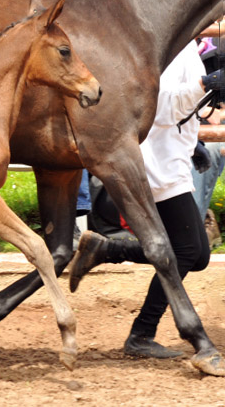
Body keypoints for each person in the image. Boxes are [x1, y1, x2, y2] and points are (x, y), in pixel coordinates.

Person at [68, 40, 225, 358]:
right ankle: (141, 334)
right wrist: (205, 84)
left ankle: (108, 249)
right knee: (187, 250)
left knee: (198, 256)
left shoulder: (185, 46)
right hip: (156, 163)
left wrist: (192, 143)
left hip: (171, 157)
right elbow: (155, 105)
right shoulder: (171, 46)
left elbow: (177, 109)